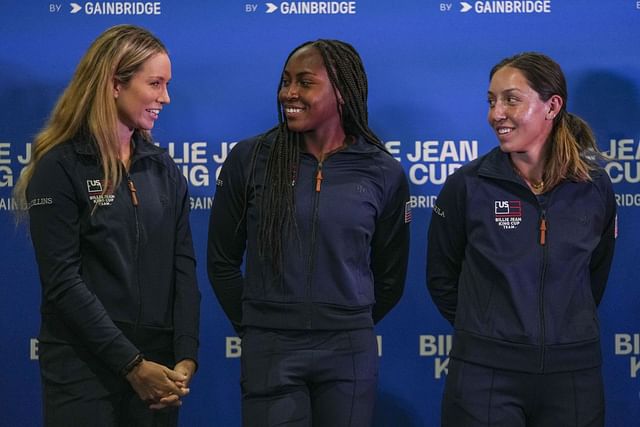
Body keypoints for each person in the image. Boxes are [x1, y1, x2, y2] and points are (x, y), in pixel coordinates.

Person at [207, 39, 410, 426]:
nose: (289, 93)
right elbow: (222, 263)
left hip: (348, 350)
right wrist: (260, 325)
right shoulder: (250, 160)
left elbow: (390, 276)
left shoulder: (382, 171)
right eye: (286, 82)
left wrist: (344, 319)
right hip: (270, 346)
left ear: (342, 93)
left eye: (305, 82)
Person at [13, 24, 200, 426]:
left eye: (166, 84)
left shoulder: (164, 169)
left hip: (158, 370)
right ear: (115, 84)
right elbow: (62, 280)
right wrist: (131, 365)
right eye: (155, 83)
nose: (165, 98)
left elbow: (183, 268)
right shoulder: (59, 167)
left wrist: (185, 357)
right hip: (84, 367)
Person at [426, 52, 616, 427]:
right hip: (484, 377)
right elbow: (442, 279)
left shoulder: (595, 188)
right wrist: (490, 334)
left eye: (511, 99)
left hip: (573, 377)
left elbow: (594, 276)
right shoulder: (467, 186)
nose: (496, 114)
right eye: (492, 101)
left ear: (552, 106)